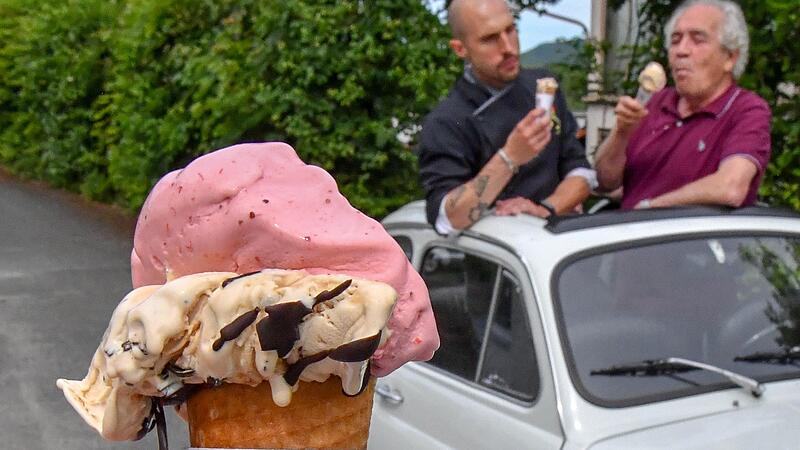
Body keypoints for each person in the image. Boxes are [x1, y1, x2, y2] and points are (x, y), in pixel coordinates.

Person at [417, 0, 595, 234]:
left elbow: (582, 172)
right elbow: (447, 219)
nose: (508, 47)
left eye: (510, 30)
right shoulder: (447, 121)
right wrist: (510, 157)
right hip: (495, 249)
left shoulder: (543, 86)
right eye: (490, 39)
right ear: (460, 49)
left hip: (556, 240)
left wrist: (547, 208)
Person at [594, 0, 771, 210]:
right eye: (675, 40)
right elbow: (605, 181)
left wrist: (648, 209)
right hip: (630, 228)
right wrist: (621, 133)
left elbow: (730, 187)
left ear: (730, 58)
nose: (681, 50)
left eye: (697, 40)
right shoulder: (654, 102)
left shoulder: (746, 110)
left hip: (690, 232)